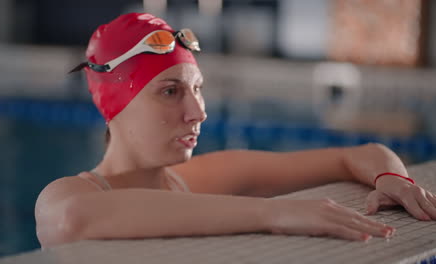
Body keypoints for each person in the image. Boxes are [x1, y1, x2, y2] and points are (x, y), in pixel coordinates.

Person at [34, 13, 436, 248]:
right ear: (113, 106)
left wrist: (393, 178)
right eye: (170, 91)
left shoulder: (200, 180)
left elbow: (355, 154)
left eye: (198, 90)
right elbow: (71, 220)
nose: (198, 112)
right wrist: (273, 213)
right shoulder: (71, 195)